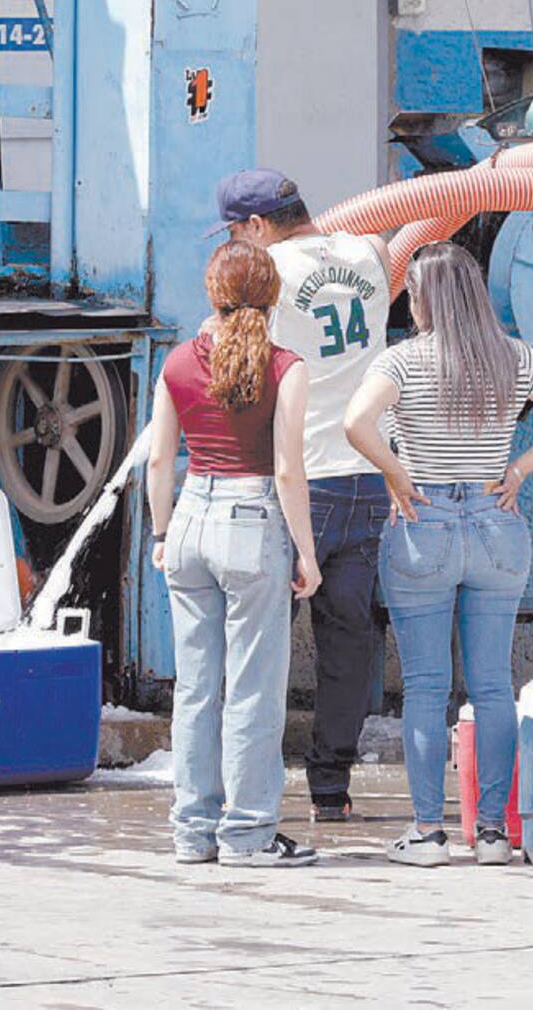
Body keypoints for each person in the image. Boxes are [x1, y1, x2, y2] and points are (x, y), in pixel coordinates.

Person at [344, 242, 533, 867]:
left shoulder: (402, 360)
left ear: (425, 296)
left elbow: (355, 422)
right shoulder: (513, 358)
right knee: (492, 686)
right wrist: (520, 467)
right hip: (497, 527)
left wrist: (396, 473)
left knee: (428, 688)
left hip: (422, 523)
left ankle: (429, 834)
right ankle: (492, 834)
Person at [207, 168, 391, 823]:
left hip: (299, 477)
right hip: (368, 476)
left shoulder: (267, 274)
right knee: (348, 640)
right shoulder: (369, 251)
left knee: (262, 640)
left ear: (257, 226)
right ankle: (331, 789)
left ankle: (245, 786)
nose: (233, 246)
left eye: (234, 232)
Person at [147, 240, 321, 867]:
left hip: (190, 516)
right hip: (252, 524)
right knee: (252, 690)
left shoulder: (177, 364)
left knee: (195, 690)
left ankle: (193, 834)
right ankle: (246, 836)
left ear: (210, 293)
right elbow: (287, 473)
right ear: (273, 296)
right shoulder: (287, 367)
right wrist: (307, 552)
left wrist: (163, 535)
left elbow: (162, 460)